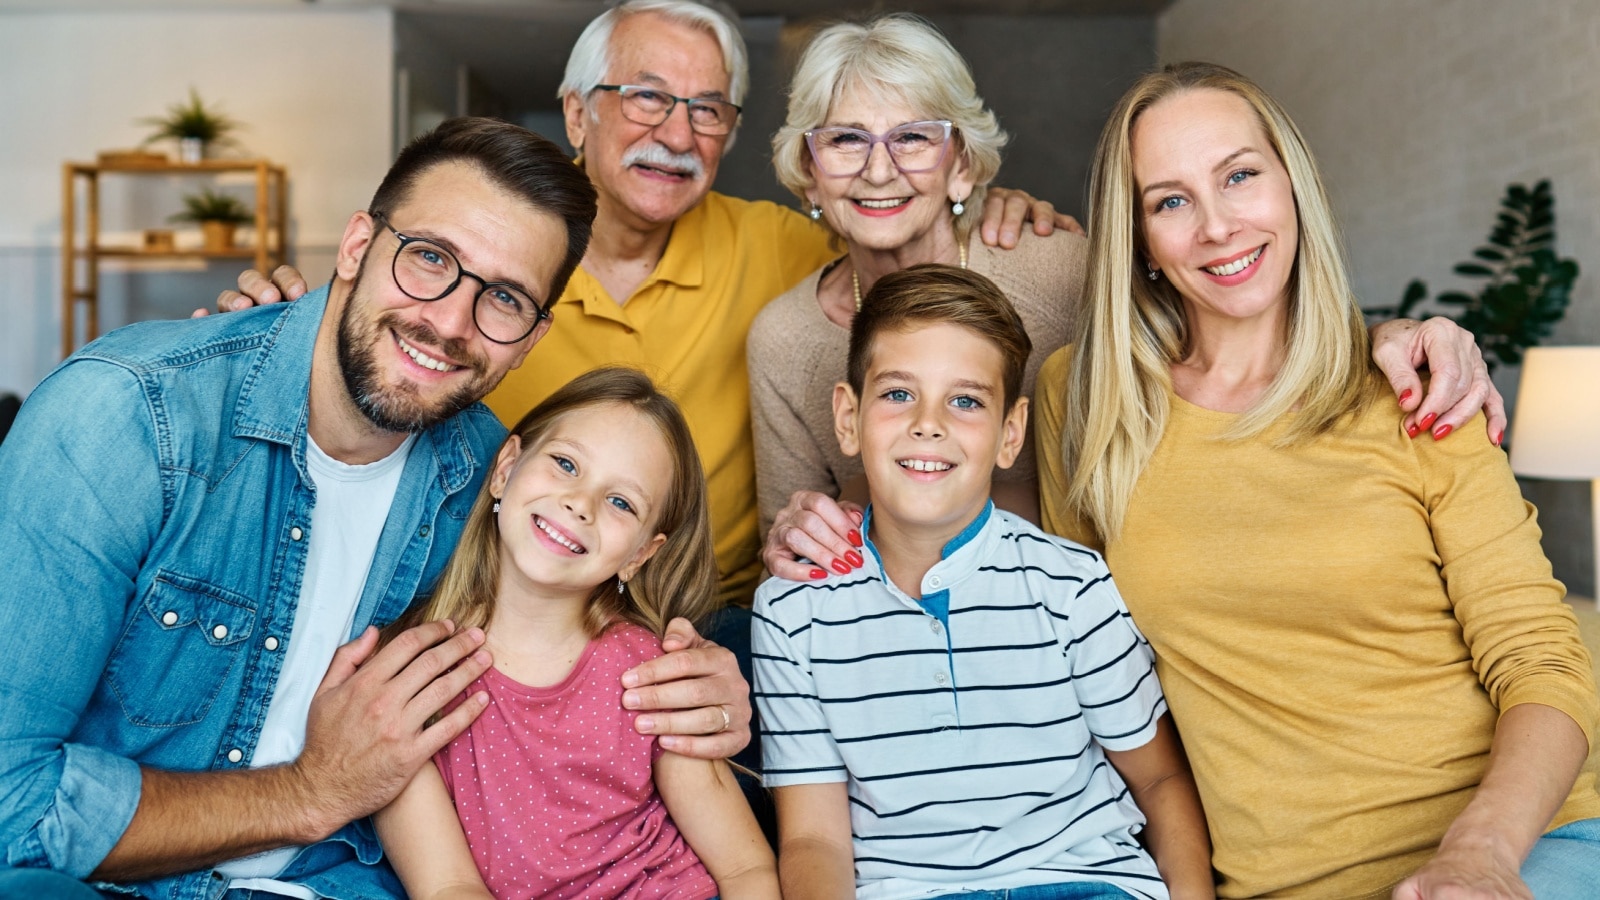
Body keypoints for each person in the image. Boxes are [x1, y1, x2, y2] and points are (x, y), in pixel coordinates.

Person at [0, 118, 750, 900]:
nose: (450, 322)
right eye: (430, 258)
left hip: (349, 880)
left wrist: (709, 690)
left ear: (531, 338)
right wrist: (309, 792)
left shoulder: (489, 481)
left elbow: (591, 622)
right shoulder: (126, 421)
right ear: (357, 246)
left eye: (504, 298)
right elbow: (8, 801)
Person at [217, 0, 1078, 610]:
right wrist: (280, 318)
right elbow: (379, 318)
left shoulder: (780, 247)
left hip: (712, 620)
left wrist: (1001, 204)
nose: (675, 133)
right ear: (575, 114)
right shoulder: (502, 262)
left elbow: (901, 211)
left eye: (706, 109)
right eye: (646, 96)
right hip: (513, 600)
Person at [1033, 62, 1600, 899]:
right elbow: (1084, 672)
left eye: (1240, 176)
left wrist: (1477, 854)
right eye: (1171, 200)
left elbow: (1542, 662)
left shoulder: (1417, 385)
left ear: (1291, 185)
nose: (1219, 226)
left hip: (1519, 848)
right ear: (1140, 241)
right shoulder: (1083, 399)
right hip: (1275, 880)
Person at [754, 265, 1214, 900]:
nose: (929, 423)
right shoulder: (791, 610)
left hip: (1081, 884)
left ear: (1011, 434)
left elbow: (1161, 781)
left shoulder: (1071, 586)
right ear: (847, 417)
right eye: (897, 394)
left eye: (965, 400)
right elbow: (814, 840)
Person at [374, 367, 778, 900]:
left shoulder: (647, 673)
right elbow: (448, 886)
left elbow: (746, 868)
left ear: (639, 555)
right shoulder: (415, 687)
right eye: (565, 464)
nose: (580, 504)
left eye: (621, 502)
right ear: (506, 468)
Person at [749, 13, 1084, 552]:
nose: (879, 171)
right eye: (845, 139)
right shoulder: (784, 337)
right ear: (809, 174)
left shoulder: (1061, 273)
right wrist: (799, 534)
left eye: (912, 138)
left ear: (962, 166)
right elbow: (789, 545)